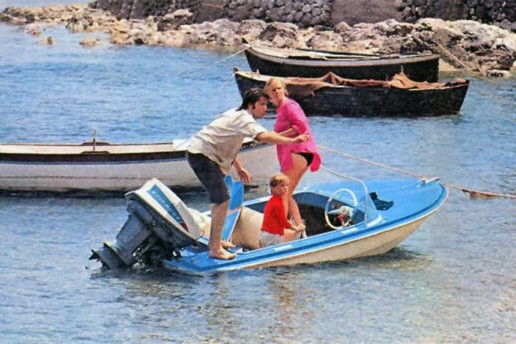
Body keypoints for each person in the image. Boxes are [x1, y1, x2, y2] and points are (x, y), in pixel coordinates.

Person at [186, 88, 309, 260]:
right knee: (223, 199)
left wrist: (239, 167)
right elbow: (265, 136)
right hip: (203, 156)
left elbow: (227, 139)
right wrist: (292, 140)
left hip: (198, 153)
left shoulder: (234, 114)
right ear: (251, 105)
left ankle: (216, 241)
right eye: (262, 104)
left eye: (266, 104)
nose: (265, 108)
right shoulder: (245, 119)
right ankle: (215, 248)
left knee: (218, 200)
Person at [264, 77, 321, 229]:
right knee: (287, 194)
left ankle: (279, 229)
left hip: (297, 152)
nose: (276, 92)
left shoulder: (289, 105)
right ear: (268, 94)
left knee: (281, 194)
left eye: (278, 88)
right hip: (303, 154)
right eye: (273, 90)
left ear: (284, 89)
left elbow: (301, 126)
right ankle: (298, 224)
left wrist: (278, 136)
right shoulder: (282, 107)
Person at [260, 173, 305, 248]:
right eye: (282, 186)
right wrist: (297, 228)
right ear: (273, 188)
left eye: (286, 185)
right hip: (272, 236)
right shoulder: (277, 204)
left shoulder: (273, 200)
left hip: (266, 234)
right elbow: (283, 222)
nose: (285, 188)